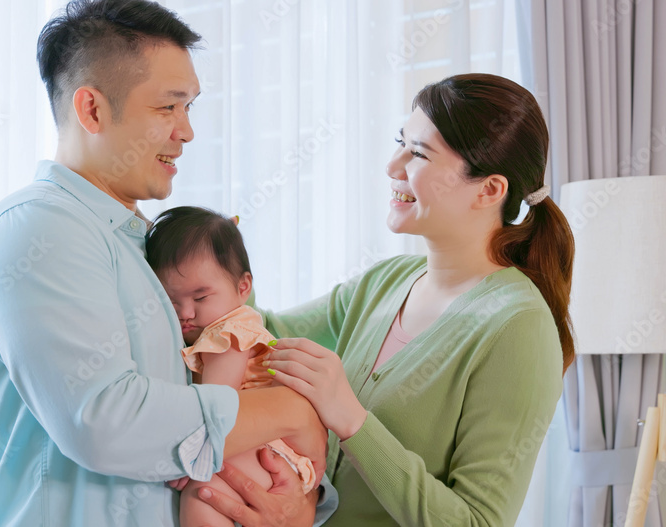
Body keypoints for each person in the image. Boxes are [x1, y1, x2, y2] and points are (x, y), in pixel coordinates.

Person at [0, 1, 334, 525]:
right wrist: (290, 413)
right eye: (167, 108)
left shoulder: (146, 246)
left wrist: (297, 498)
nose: (186, 131)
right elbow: (106, 422)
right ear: (92, 110)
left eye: (189, 108)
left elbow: (224, 379)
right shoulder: (41, 232)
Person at [197, 73, 575, 526]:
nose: (393, 165)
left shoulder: (518, 328)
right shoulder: (387, 281)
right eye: (401, 142)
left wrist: (352, 420)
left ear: (489, 190)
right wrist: (215, 262)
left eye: (418, 153)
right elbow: (264, 337)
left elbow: (478, 522)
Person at [144, 206, 318, 527]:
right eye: (172, 300)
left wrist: (191, 463)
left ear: (243, 288)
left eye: (200, 298)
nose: (185, 312)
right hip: (248, 441)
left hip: (267, 448)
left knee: (202, 498)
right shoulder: (206, 330)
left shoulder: (231, 332)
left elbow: (216, 407)